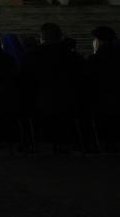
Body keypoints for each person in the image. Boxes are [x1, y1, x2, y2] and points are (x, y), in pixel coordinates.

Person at [21, 22, 84, 152]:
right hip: (70, 103)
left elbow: (26, 82)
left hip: (41, 103)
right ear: (60, 37)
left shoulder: (31, 56)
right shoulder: (74, 56)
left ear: (41, 37)